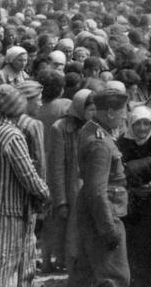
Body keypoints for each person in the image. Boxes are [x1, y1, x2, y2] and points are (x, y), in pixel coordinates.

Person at [0, 84, 50, 287]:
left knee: (2, 263)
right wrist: (44, 193)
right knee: (6, 267)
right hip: (8, 209)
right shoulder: (12, 135)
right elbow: (28, 175)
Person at [69, 88, 131, 287]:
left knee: (86, 277)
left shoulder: (91, 130)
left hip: (93, 214)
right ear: (111, 112)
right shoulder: (100, 143)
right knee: (114, 278)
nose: (125, 117)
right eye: (123, 112)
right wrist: (108, 229)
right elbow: (97, 191)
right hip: (104, 216)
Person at [45, 89, 95, 274]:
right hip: (72, 190)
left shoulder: (97, 127)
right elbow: (56, 167)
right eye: (91, 109)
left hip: (92, 189)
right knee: (72, 238)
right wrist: (60, 201)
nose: (94, 113)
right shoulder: (61, 128)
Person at [117, 105, 151, 287]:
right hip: (133, 201)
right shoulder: (123, 142)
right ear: (131, 124)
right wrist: (133, 188)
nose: (142, 128)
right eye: (138, 124)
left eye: (147, 123)